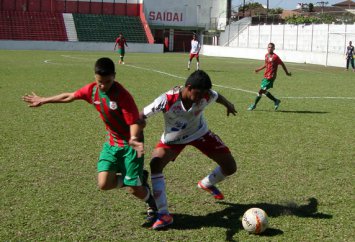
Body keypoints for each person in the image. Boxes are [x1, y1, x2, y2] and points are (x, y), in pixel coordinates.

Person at [22, 57, 156, 221]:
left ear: (114, 76)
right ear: (95, 77)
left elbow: (135, 122)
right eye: (100, 81)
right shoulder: (92, 90)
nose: (103, 86)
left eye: (107, 81)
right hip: (112, 143)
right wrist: (44, 100)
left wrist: (134, 138)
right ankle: (137, 179)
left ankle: (151, 202)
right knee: (104, 184)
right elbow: (69, 96)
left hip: (131, 146)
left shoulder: (122, 96)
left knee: (135, 190)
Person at [140, 70, 238, 230]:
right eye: (199, 93)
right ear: (189, 87)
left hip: (200, 133)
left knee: (231, 167)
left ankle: (207, 183)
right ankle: (163, 214)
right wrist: (135, 136)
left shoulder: (205, 95)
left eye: (205, 94)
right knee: (155, 164)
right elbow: (141, 115)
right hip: (174, 139)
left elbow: (216, 95)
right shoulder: (166, 99)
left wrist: (228, 104)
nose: (202, 98)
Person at [248, 42, 291, 111]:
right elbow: (266, 64)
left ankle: (254, 105)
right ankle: (276, 101)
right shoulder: (266, 56)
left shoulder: (275, 57)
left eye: (271, 47)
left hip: (271, 77)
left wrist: (286, 73)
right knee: (263, 91)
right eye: (269, 47)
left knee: (260, 91)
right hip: (266, 76)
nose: (270, 48)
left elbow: (282, 64)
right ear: (267, 48)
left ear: (274, 48)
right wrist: (259, 69)